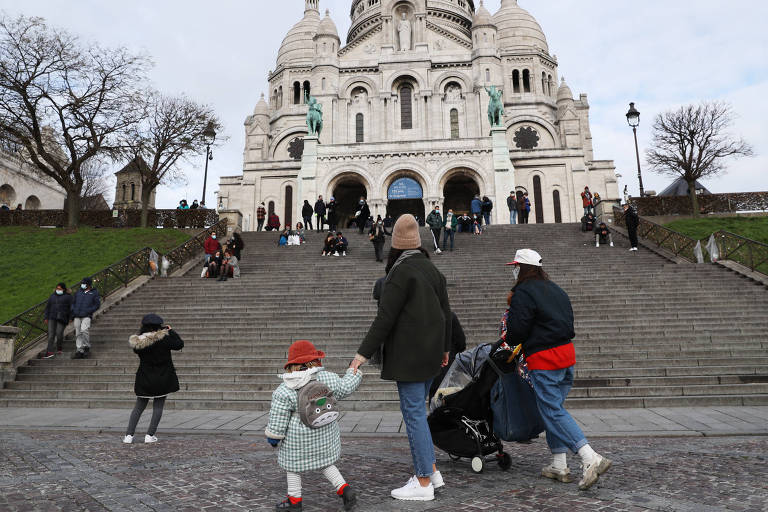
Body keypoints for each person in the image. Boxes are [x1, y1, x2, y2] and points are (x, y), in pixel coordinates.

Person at [350, 214, 451, 502]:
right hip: (432, 355)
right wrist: (445, 349)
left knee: (415, 416)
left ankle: (421, 483)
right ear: (418, 242)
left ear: (395, 243)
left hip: (409, 357)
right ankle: (432, 471)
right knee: (419, 412)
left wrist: (361, 355)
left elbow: (385, 318)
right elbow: (446, 315)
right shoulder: (433, 271)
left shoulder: (400, 272)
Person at [504, 249, 611, 490]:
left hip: (544, 357)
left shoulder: (523, 292)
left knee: (551, 410)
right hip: (566, 354)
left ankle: (589, 458)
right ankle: (559, 463)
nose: (514, 269)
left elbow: (517, 330)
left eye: (516, 266)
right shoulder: (556, 289)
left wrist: (509, 338)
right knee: (553, 408)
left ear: (522, 268)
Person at [265, 340, 362, 511]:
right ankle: (344, 489)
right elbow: (346, 387)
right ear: (314, 360)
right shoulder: (327, 378)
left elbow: (278, 418)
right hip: (324, 433)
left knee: (293, 468)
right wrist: (353, 372)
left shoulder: (284, 389)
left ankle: (294, 502)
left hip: (297, 440)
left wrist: (274, 437)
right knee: (326, 463)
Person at [123, 314, 184, 444]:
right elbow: (179, 344)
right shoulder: (164, 339)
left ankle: (129, 435)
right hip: (163, 377)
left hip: (144, 377)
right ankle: (149, 435)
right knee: (158, 406)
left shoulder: (138, 342)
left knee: (139, 407)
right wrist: (171, 330)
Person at [71, 277, 100, 359]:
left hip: (86, 315)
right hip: (77, 315)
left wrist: (89, 310)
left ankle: (86, 346)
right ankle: (79, 349)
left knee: (84, 330)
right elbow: (73, 302)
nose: (82, 285)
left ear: (88, 284)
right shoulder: (78, 292)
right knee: (78, 333)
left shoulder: (94, 293)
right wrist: (73, 309)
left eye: (84, 283)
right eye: (82, 283)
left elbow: (97, 304)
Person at [43, 282, 73, 358]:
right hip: (51, 317)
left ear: (63, 289)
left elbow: (71, 308)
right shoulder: (52, 296)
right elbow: (47, 307)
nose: (57, 290)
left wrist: (70, 318)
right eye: (57, 288)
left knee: (59, 333)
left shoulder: (68, 297)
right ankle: (49, 351)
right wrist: (46, 317)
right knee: (51, 335)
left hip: (62, 318)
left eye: (59, 289)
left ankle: (59, 347)